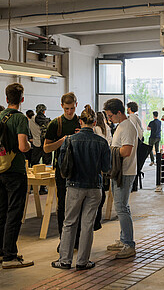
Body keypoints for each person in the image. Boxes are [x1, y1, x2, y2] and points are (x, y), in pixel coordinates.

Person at [51, 105, 111, 270]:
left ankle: (64, 260)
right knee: (87, 225)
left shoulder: (70, 140)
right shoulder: (102, 142)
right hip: (94, 187)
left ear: (80, 121)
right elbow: (106, 168)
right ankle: (83, 262)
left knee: (69, 222)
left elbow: (62, 165)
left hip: (74, 186)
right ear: (94, 122)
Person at [0, 83, 33, 269]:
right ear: (22, 99)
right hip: (15, 171)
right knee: (14, 213)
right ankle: (10, 256)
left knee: (0, 211)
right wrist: (30, 146)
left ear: (6, 98)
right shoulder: (20, 119)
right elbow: (22, 147)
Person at [43, 92, 81, 248]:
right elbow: (46, 148)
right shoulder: (55, 124)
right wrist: (62, 140)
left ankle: (77, 239)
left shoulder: (81, 122)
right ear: (61, 106)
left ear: (76, 105)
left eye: (72, 108)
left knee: (78, 205)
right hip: (62, 170)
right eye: (66, 109)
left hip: (80, 169)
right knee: (63, 206)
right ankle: (63, 240)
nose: (69, 112)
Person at [104, 98, 138, 259]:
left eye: (110, 116)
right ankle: (124, 238)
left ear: (119, 113)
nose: (109, 119)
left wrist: (110, 150)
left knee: (121, 208)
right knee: (123, 206)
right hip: (121, 171)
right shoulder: (121, 126)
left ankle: (129, 244)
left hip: (125, 172)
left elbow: (125, 151)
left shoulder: (127, 127)